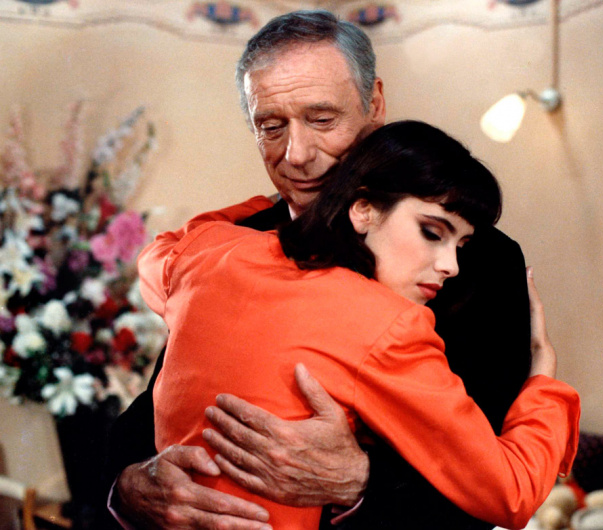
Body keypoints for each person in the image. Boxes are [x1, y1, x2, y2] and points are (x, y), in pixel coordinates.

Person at [104, 10, 552, 529]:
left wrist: (358, 484)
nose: (296, 155)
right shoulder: (233, 243)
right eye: (271, 126)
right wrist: (128, 489)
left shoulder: (480, 262)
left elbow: (487, 486)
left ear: (374, 105)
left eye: (321, 120)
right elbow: (150, 417)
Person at [140, 120, 579, 530]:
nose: (451, 266)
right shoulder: (390, 326)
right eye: (432, 232)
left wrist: (271, 204)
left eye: (460, 245)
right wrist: (544, 376)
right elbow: (513, 492)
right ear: (363, 209)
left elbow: (159, 253)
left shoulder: (209, 251)